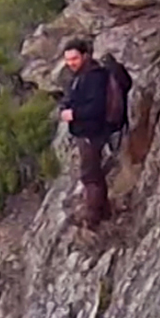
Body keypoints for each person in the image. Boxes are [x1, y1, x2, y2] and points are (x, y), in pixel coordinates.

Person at [58, 39, 113, 227]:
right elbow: (75, 99)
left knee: (90, 175)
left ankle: (93, 218)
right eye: (68, 60)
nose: (71, 63)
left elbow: (96, 107)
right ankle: (104, 212)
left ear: (84, 56)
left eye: (74, 58)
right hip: (86, 131)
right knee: (95, 173)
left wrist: (73, 114)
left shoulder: (94, 76)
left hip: (92, 132)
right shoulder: (81, 75)